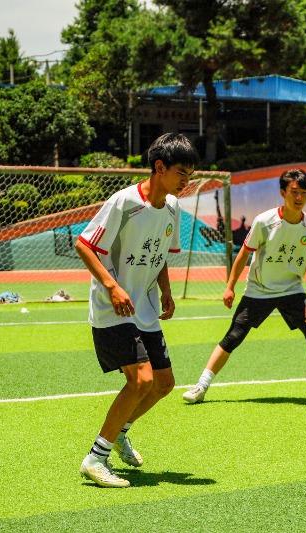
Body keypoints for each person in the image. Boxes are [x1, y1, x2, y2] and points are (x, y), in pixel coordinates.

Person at [75, 133, 198, 487]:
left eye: (190, 175)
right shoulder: (124, 202)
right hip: (113, 307)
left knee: (163, 384)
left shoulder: (172, 207)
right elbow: (84, 245)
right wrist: (112, 287)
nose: (186, 181)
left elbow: (159, 254)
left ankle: (120, 431)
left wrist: (166, 291)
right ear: (159, 167)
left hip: (144, 308)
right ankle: (95, 458)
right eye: (181, 173)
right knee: (140, 379)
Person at [182, 168, 306, 404]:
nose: (299, 198)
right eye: (294, 192)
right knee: (233, 336)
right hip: (259, 290)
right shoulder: (264, 221)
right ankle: (201, 386)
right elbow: (244, 254)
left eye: (304, 193)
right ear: (283, 192)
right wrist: (230, 286)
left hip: (292, 290)